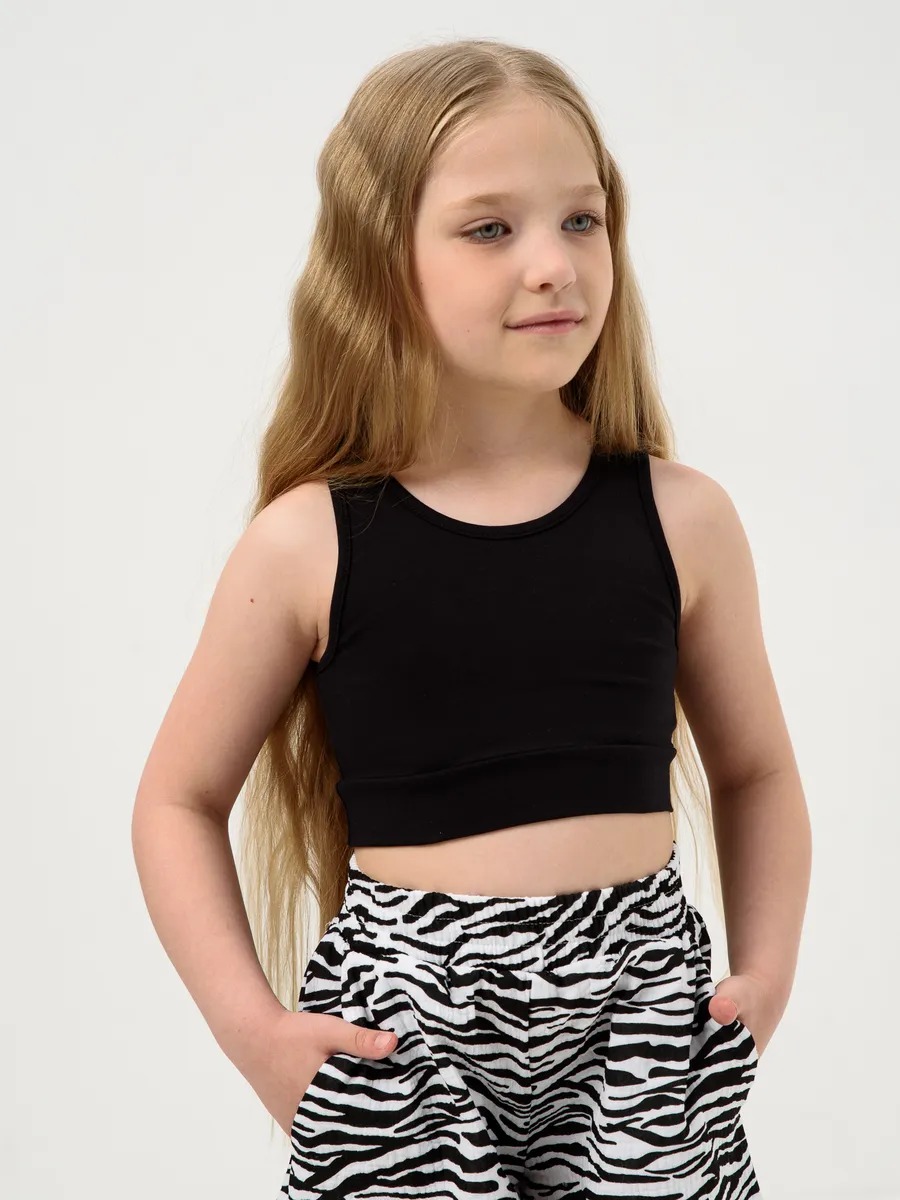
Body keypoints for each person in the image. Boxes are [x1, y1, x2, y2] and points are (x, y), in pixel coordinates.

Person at [131, 36, 811, 1200]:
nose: (554, 265)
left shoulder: (683, 517)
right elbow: (175, 801)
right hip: (404, 1026)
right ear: (379, 258)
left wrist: (768, 974)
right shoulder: (309, 542)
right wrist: (255, 1033)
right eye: (491, 228)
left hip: (645, 1015)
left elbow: (757, 772)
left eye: (582, 220)